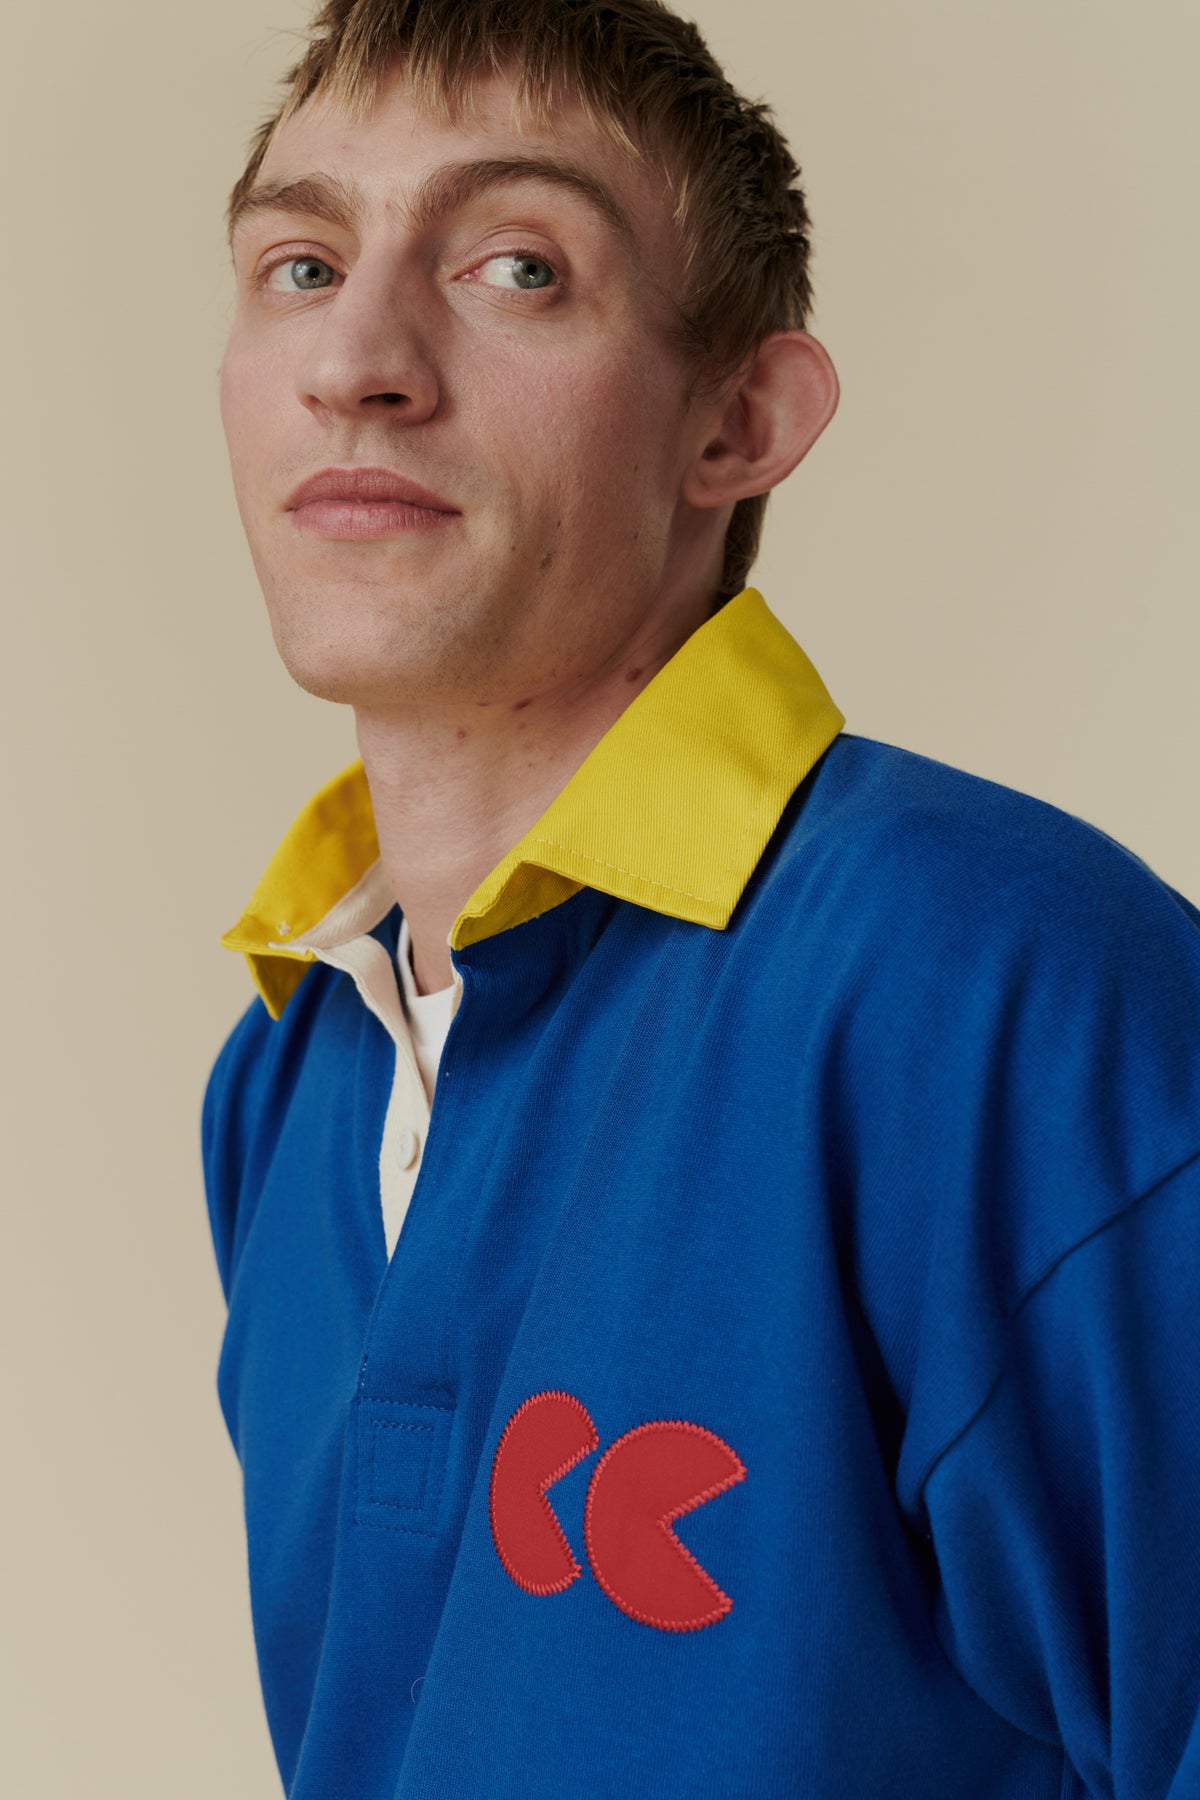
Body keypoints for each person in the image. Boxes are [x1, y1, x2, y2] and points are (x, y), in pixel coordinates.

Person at [203, 1, 1200, 1794]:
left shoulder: (997, 985)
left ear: (739, 423)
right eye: (298, 260)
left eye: (515, 265)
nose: (356, 356)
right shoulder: (286, 1075)